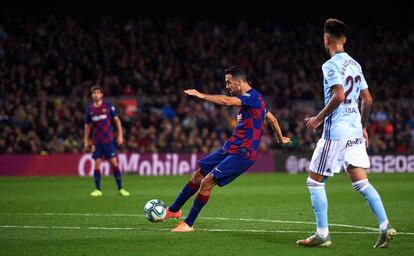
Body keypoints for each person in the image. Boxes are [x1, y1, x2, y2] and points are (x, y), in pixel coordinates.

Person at [296, 18, 396, 248]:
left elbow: (339, 95)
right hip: (354, 132)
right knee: (362, 184)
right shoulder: (355, 64)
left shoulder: (329, 65)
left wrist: (318, 118)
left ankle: (322, 234)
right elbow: (367, 99)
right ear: (345, 39)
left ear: (326, 39)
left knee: (314, 182)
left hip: (336, 133)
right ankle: (385, 225)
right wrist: (363, 126)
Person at [163, 65, 291, 232]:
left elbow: (226, 101)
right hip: (230, 147)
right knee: (198, 175)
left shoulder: (252, 97)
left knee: (207, 182)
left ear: (238, 82)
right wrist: (280, 139)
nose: (227, 86)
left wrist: (201, 95)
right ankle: (173, 211)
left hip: (244, 153)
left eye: (229, 82)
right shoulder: (255, 100)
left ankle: (188, 224)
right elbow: (272, 119)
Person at [84, 85, 130, 197]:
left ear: (102, 95)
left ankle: (120, 188)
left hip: (108, 140)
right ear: (92, 95)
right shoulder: (90, 109)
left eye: (98, 93)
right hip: (96, 141)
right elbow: (87, 126)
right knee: (97, 164)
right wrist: (86, 140)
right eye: (94, 93)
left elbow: (117, 121)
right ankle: (98, 189)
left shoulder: (108, 106)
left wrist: (120, 135)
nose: (96, 95)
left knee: (114, 163)